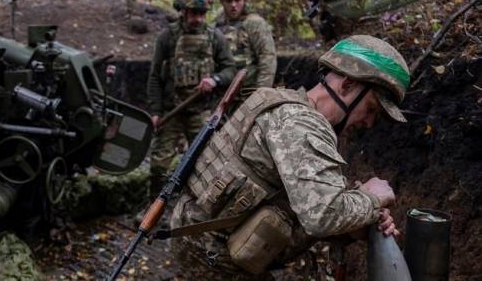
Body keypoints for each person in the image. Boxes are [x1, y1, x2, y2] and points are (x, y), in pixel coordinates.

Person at [169, 35, 410, 279]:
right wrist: (372, 198)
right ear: (347, 85)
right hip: (214, 258)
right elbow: (322, 217)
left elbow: (299, 203)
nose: (369, 122)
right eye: (370, 109)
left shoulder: (283, 103)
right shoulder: (301, 124)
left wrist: (352, 227)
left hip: (202, 242)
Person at [146, 0, 237, 197]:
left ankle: (199, 206)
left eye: (202, 14)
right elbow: (155, 76)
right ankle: (154, 207)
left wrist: (215, 80)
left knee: (206, 163)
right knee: (159, 166)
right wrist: (156, 111)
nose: (198, 19)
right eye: (194, 13)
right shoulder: (167, 37)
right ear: (184, 12)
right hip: (172, 110)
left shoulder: (215, 37)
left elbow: (231, 69)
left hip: (201, 111)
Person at [215, 0, 277, 102]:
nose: (233, 5)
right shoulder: (217, 25)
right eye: (229, 1)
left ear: (244, 0)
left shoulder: (254, 23)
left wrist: (261, 94)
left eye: (237, 0)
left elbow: (267, 58)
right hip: (222, 94)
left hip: (248, 93)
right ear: (222, 2)